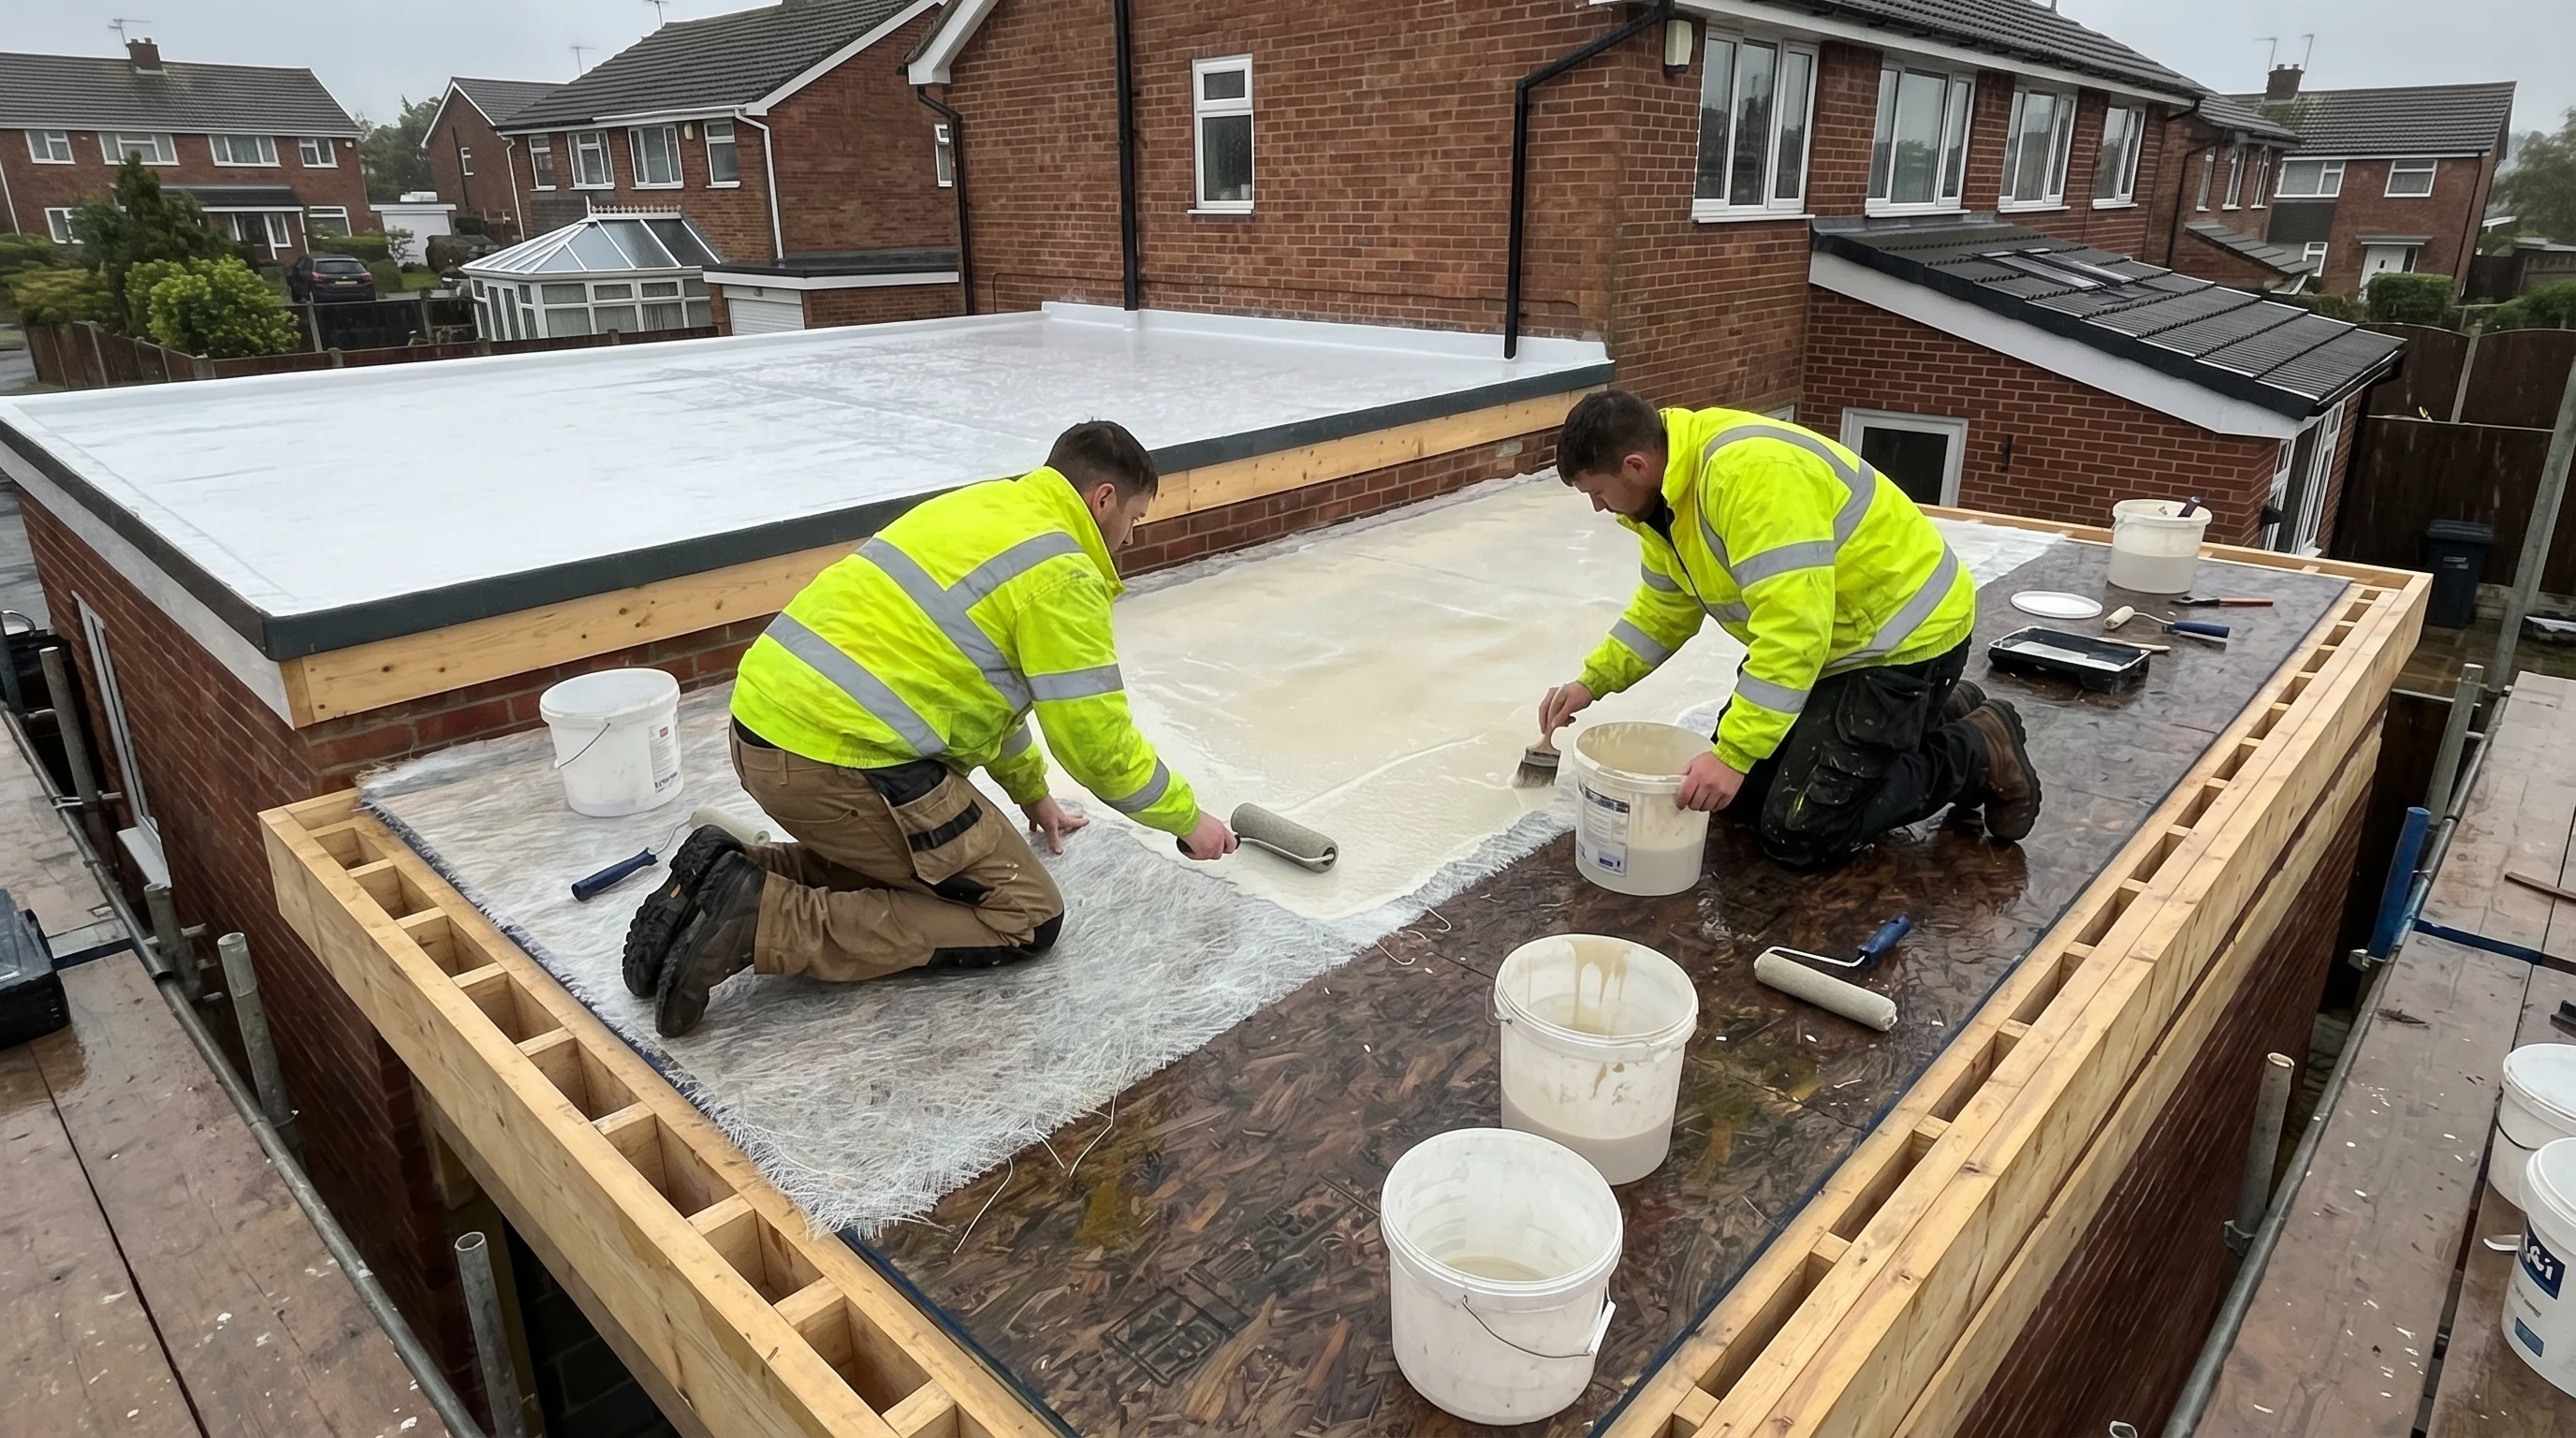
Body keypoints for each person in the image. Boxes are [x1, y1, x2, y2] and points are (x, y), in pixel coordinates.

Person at [627, 420, 1237, 1036]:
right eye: (1134, 517)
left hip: (763, 729)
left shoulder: (985, 508)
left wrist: (1032, 793)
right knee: (1023, 914)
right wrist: (1189, 820)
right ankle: (765, 921)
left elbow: (984, 692)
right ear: (1103, 498)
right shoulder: (1061, 572)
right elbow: (1098, 747)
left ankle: (720, 877)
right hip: (836, 762)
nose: (1130, 536)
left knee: (934, 870)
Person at [1538, 389, 2042, 871]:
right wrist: (1591, 683)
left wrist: (1734, 755)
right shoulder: (1665, 500)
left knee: (1800, 829)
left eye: (1598, 492)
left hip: (1898, 644)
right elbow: (1663, 612)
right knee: (1735, 802)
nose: (1599, 508)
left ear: (1636, 466)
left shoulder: (1751, 479)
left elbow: (1793, 634)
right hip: (1833, 647)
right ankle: (1924, 717)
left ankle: (1978, 746)